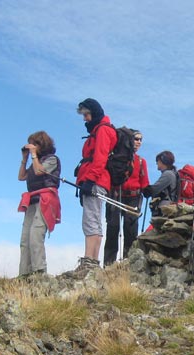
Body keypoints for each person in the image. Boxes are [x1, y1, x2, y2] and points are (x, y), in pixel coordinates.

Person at [75, 98, 117, 273]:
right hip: (98, 180)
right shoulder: (102, 129)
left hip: (96, 180)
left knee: (91, 219)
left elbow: (100, 157)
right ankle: (91, 260)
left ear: (94, 113)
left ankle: (89, 261)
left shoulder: (102, 130)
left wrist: (90, 180)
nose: (85, 118)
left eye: (86, 114)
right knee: (94, 218)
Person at [17, 131, 61, 277]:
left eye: (34, 144)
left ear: (41, 144)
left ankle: (39, 272)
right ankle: (24, 274)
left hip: (45, 200)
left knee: (35, 236)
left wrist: (34, 155)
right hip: (32, 201)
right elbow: (21, 177)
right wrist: (24, 159)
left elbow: (39, 171)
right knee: (25, 239)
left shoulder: (52, 159)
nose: (31, 147)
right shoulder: (35, 162)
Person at [104, 130, 149, 266]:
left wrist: (148, 190)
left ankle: (128, 263)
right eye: (136, 139)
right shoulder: (119, 158)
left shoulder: (140, 161)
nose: (139, 142)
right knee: (113, 229)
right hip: (117, 195)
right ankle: (109, 264)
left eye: (140, 139)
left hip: (131, 197)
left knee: (130, 231)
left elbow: (144, 182)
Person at [142, 150, 178, 216]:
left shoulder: (168, 174)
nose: (156, 163)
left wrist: (145, 190)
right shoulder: (172, 173)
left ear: (163, 161)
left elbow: (154, 189)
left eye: (158, 161)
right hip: (168, 207)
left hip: (165, 209)